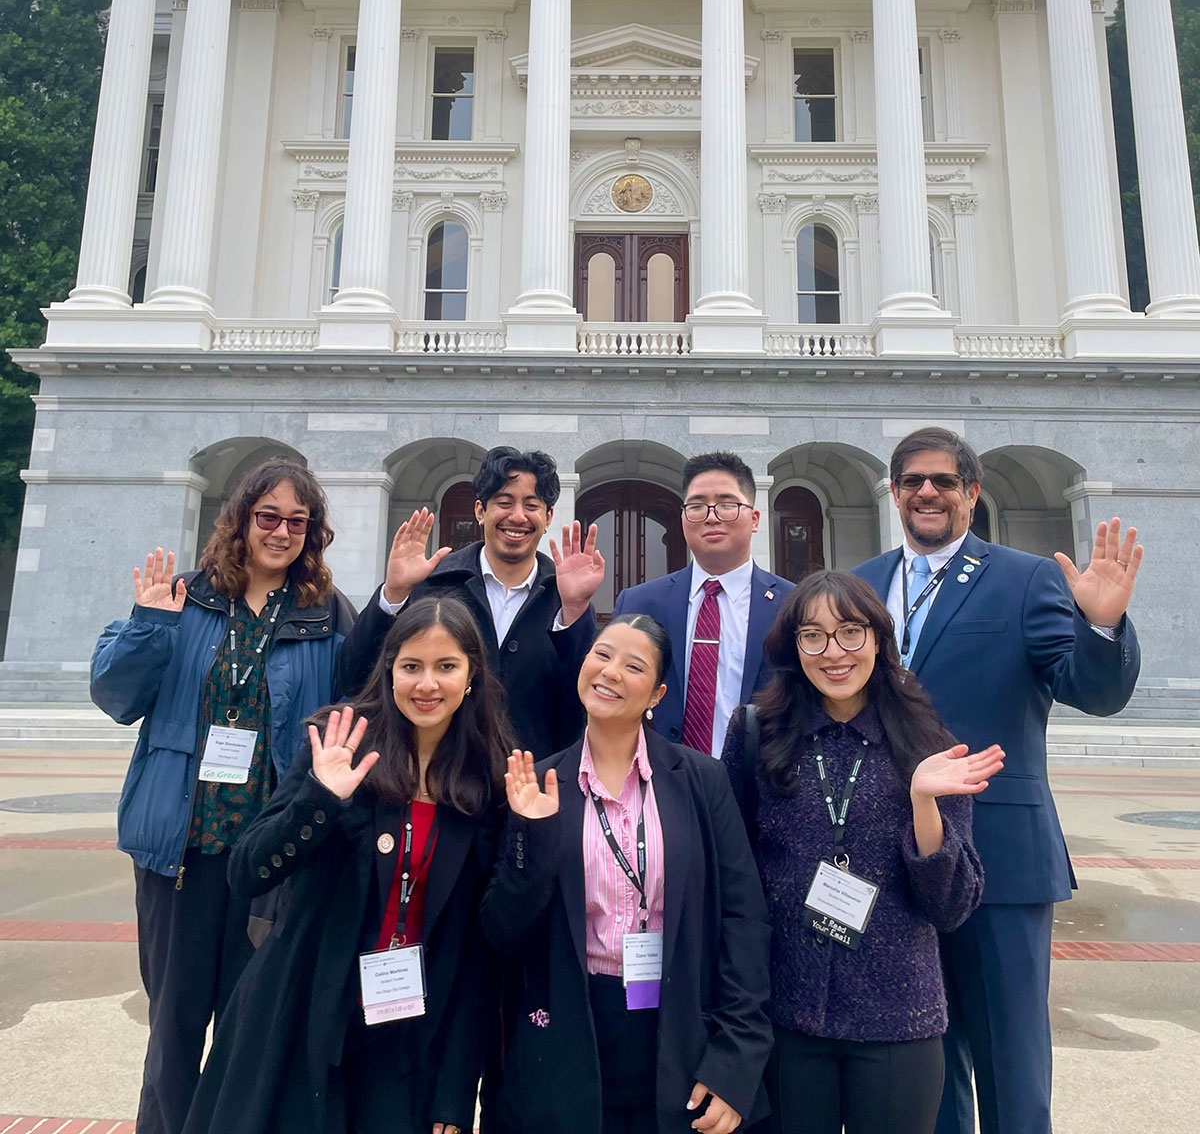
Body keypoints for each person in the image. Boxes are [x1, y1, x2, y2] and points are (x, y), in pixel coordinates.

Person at [853, 427, 1142, 1134]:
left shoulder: (1023, 577)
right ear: (893, 493)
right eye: (912, 481)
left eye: (944, 481)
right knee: (926, 1054)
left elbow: (1090, 692)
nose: (927, 492)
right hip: (893, 860)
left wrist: (1099, 628)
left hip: (999, 860)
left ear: (971, 494)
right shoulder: (860, 585)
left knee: (1011, 1059)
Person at [90, 460, 356, 1134]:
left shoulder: (324, 613)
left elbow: (356, 697)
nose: (283, 531)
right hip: (181, 851)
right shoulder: (183, 597)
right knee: (174, 1028)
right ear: (240, 520)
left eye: (299, 521)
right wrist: (148, 626)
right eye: (269, 516)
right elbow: (116, 697)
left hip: (266, 860)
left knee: (251, 1029)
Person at [183, 595, 513, 1134]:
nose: (426, 684)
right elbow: (248, 870)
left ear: (472, 676)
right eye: (411, 666)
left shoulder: (487, 776)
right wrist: (320, 797)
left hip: (407, 1028)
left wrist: (454, 1096)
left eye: (446, 666)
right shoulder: (342, 741)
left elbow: (475, 952)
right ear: (389, 671)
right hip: (304, 1008)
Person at [722, 572, 1000, 1134]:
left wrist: (924, 802)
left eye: (851, 632)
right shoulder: (757, 732)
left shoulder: (930, 747)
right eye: (813, 636)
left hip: (898, 1017)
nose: (834, 652)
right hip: (785, 1016)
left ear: (878, 638)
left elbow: (952, 906)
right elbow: (734, 876)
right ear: (792, 647)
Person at [482, 614, 772, 1134]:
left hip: (680, 1032)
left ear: (657, 693)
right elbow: (504, 932)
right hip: (569, 1035)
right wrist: (532, 836)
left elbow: (744, 919)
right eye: (601, 655)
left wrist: (736, 1061)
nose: (610, 672)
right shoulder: (540, 781)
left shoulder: (701, 780)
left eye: (632, 665)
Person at [337, 445, 603, 759]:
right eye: (504, 503)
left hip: (533, 786)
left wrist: (574, 612)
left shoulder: (565, 596)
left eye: (531, 505)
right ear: (480, 510)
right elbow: (354, 678)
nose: (517, 517)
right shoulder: (435, 585)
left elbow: (587, 702)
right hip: (440, 778)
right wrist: (394, 594)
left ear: (548, 517)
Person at [613, 452, 788, 756]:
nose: (711, 516)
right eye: (697, 506)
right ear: (683, 518)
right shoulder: (640, 601)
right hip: (659, 784)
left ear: (755, 519)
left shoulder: (792, 603)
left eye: (726, 505)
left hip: (762, 784)